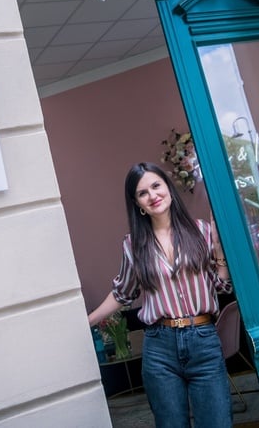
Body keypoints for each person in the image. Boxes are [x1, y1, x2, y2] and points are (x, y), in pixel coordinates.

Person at [88, 162, 233, 428]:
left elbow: (221, 287)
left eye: (156, 186)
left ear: (168, 188)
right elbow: (123, 293)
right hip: (159, 348)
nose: (152, 195)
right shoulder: (133, 245)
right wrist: (87, 322)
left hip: (203, 341)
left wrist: (219, 250)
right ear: (138, 203)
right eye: (143, 193)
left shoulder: (200, 231)